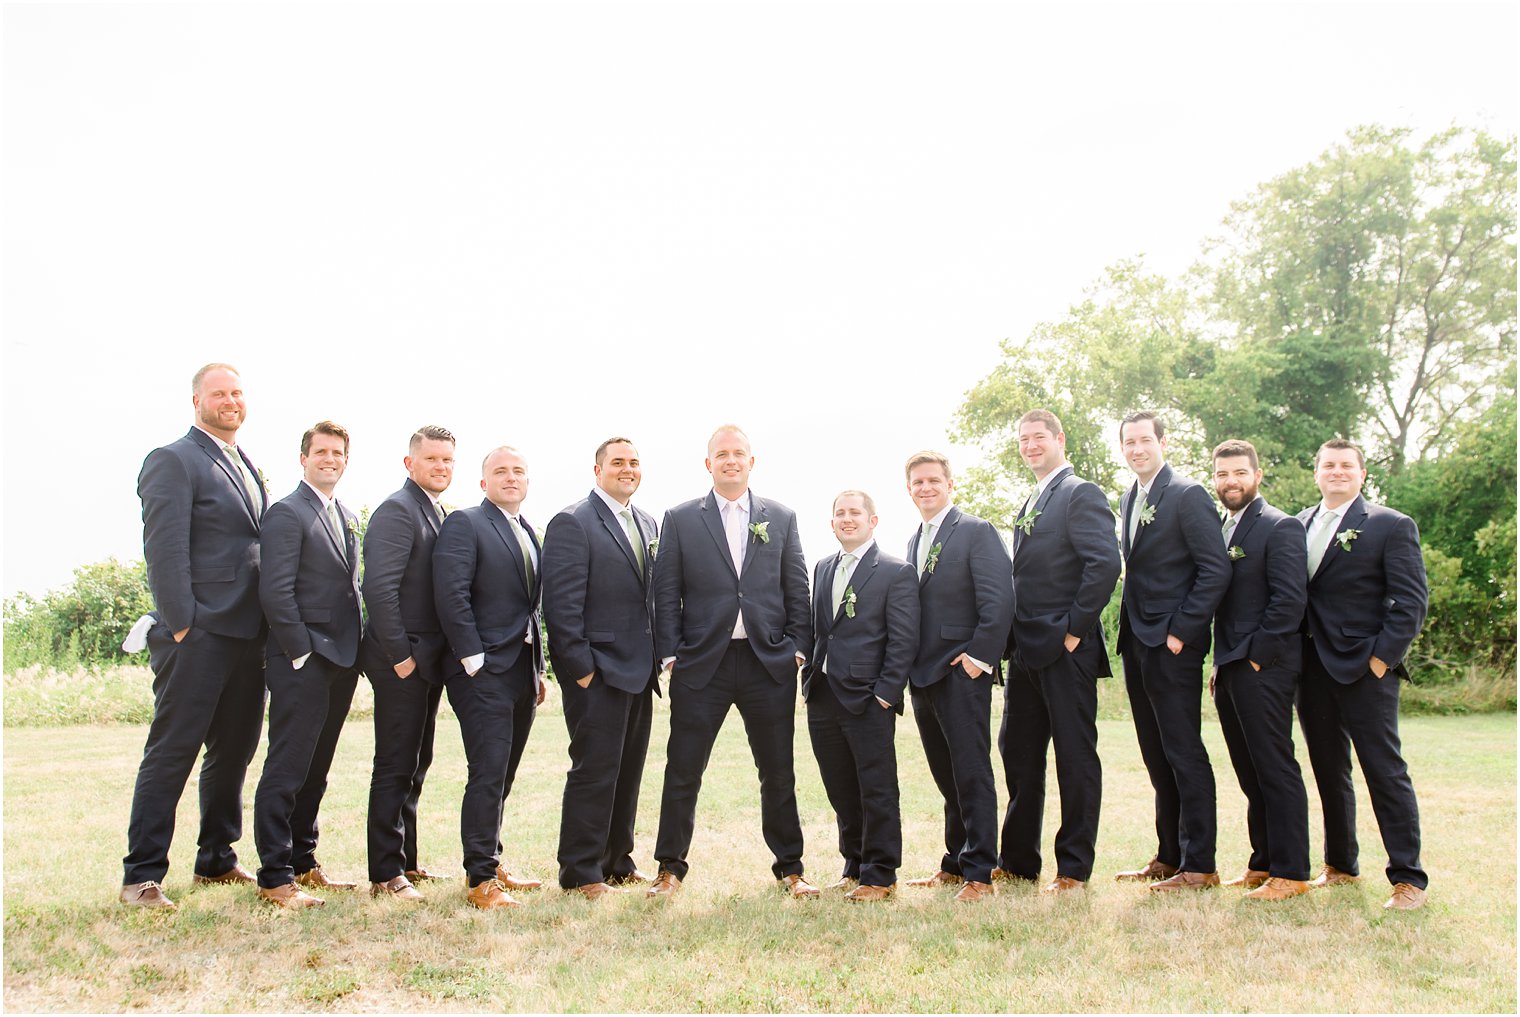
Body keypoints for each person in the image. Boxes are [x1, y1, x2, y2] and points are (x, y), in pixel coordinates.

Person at [121, 363, 269, 910]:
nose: (229, 401)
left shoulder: (245, 462)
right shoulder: (173, 460)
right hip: (200, 632)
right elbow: (163, 549)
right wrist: (182, 622)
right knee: (173, 751)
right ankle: (141, 875)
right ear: (196, 401)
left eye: (236, 392)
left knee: (233, 751)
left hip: (248, 634)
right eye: (218, 393)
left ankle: (216, 859)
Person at [647, 425, 817, 899]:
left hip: (768, 664)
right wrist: (671, 655)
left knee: (778, 771)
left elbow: (796, 586)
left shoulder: (780, 517)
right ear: (708, 464)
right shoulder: (681, 518)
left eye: (738, 453)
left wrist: (797, 647)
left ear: (751, 461)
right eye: (721, 454)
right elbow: (666, 592)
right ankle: (669, 869)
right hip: (703, 665)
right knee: (683, 769)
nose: (730, 461)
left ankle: (791, 869)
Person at [1296, 438, 1430, 910]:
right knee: (1329, 770)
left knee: (1384, 770)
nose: (1336, 472)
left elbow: (1411, 602)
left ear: (1361, 473)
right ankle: (1340, 866)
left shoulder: (1389, 525)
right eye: (1328, 465)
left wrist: (1380, 661)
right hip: (1309, 670)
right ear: (1316, 473)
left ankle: (1408, 879)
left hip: (1365, 669)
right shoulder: (1299, 526)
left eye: (1345, 465)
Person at [997, 411, 1120, 895]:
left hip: (1066, 649)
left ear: (1059, 439)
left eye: (1038, 437)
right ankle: (1019, 861)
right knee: (1018, 753)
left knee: (1074, 757)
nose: (1030, 445)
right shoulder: (1032, 497)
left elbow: (1105, 563)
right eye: (1023, 439)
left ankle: (1073, 868)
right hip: (1025, 650)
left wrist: (1074, 630)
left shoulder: (1079, 492)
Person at [1114, 410, 1230, 891]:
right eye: (1129, 442)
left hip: (1172, 645)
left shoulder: (1187, 495)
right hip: (1137, 643)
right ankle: (1169, 855)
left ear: (1163, 442)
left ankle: (1200, 864)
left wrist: (1181, 631)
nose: (1137, 449)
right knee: (1155, 753)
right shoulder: (1128, 498)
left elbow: (1215, 569)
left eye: (1145, 440)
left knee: (1184, 751)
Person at [541, 437, 660, 900]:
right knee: (594, 770)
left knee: (628, 771)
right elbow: (561, 606)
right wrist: (582, 669)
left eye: (633, 462)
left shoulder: (648, 522)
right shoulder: (573, 522)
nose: (626, 469)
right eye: (617, 463)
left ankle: (616, 861)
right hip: (598, 671)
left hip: (640, 670)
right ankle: (580, 870)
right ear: (598, 470)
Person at [253, 421, 363, 908]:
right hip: (301, 660)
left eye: (338, 452)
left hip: (341, 661)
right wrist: (299, 651)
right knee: (288, 766)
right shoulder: (286, 513)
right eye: (321, 451)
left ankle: (303, 861)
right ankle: (275, 876)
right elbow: (275, 590)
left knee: (316, 769)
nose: (330, 459)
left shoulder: (344, 514)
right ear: (303, 458)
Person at [432, 446, 547, 910]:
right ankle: (479, 878)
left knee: (506, 771)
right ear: (483, 483)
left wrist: (537, 668)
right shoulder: (466, 523)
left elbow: (531, 609)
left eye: (519, 470)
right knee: (487, 770)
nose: (511, 477)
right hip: (481, 672)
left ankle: (492, 858)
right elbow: (452, 594)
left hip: (521, 671)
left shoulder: (528, 532)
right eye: (500, 471)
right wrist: (473, 659)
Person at [902, 450, 1013, 903]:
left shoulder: (975, 531)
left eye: (933, 481)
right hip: (923, 674)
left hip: (961, 671)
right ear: (909, 491)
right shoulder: (914, 539)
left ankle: (981, 871)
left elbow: (999, 599)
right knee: (945, 773)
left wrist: (977, 658)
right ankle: (954, 861)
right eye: (917, 483)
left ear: (951, 486)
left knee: (971, 771)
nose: (926, 488)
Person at [803, 490, 919, 902]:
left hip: (869, 697)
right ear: (831, 523)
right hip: (823, 694)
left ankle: (881, 874)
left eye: (855, 513)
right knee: (840, 786)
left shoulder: (894, 571)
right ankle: (853, 865)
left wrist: (886, 694)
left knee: (876, 786)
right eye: (840, 514)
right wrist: (806, 676)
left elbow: (903, 640)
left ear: (873, 521)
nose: (847, 519)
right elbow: (820, 630)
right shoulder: (821, 568)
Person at [1209, 439, 1312, 901]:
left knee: (1274, 765)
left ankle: (1291, 873)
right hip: (1229, 665)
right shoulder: (1222, 527)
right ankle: (1263, 861)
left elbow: (1289, 600)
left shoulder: (1280, 526)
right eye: (1222, 474)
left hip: (1263, 665)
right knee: (1249, 769)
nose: (1231, 482)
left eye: (1239, 473)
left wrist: (1253, 657)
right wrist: (1221, 663)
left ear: (1257, 475)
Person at [360, 424, 457, 900]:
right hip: (401, 660)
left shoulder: (437, 513)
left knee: (418, 762)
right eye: (432, 459)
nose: (440, 467)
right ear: (410, 463)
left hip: (427, 661)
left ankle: (407, 861)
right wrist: (399, 656)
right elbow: (378, 589)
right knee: (395, 762)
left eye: (447, 461)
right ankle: (384, 872)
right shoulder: (398, 512)